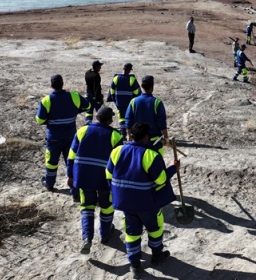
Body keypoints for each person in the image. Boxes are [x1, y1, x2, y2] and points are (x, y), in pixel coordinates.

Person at [106, 122, 179, 279]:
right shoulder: (151, 155)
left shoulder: (117, 151)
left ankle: (134, 265)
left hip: (125, 202)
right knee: (155, 228)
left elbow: (108, 175)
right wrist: (173, 168)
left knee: (131, 233)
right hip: (146, 203)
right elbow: (160, 180)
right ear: (146, 137)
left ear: (131, 135)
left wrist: (119, 194)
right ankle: (157, 256)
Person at [67, 106, 123, 254]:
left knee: (87, 207)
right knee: (106, 206)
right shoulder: (115, 136)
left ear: (96, 117)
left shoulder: (82, 131)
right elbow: (119, 162)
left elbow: (71, 156)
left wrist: (70, 175)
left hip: (83, 176)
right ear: (110, 120)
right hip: (105, 179)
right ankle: (105, 234)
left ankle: (87, 238)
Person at [35, 74, 90, 192]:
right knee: (71, 160)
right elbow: (87, 106)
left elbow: (39, 120)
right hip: (70, 136)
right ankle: (75, 185)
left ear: (51, 85)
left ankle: (49, 184)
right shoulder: (74, 96)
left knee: (51, 162)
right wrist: (75, 111)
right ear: (62, 83)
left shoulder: (46, 100)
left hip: (54, 138)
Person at [125, 75, 169, 157]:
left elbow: (128, 121)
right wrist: (166, 139)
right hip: (154, 144)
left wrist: (129, 136)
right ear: (152, 87)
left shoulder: (133, 102)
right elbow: (162, 123)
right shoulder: (157, 102)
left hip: (138, 143)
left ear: (141, 87)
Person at [108, 63, 141, 137]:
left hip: (119, 102)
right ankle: (131, 133)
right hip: (129, 102)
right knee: (130, 116)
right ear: (129, 70)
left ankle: (123, 133)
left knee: (121, 117)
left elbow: (112, 90)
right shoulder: (131, 79)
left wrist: (115, 99)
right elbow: (136, 91)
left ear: (123, 68)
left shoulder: (116, 78)